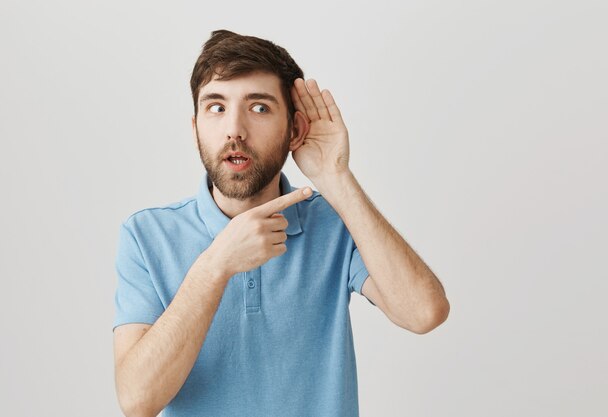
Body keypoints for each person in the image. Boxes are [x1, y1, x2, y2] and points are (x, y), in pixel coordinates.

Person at [112, 29, 450, 417]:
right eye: (216, 107)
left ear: (295, 130)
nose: (234, 129)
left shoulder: (335, 221)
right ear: (195, 130)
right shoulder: (145, 236)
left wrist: (336, 177)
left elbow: (424, 313)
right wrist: (216, 264)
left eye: (259, 108)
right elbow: (138, 401)